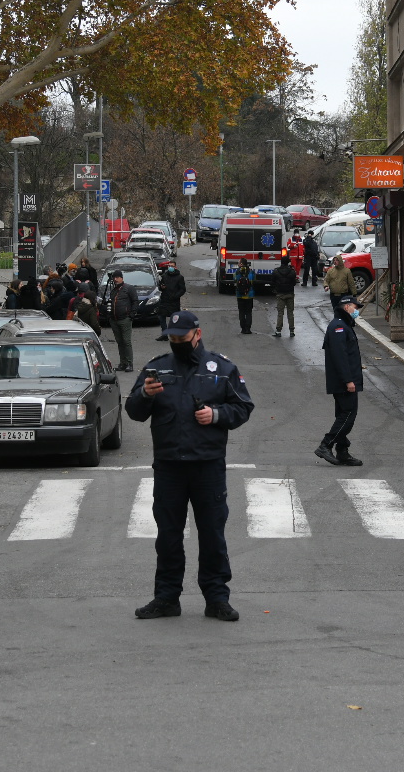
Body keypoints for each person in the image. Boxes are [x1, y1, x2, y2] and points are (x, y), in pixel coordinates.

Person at [126, 310, 253, 622]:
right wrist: (144, 394)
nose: (176, 342)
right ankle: (166, 598)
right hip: (169, 467)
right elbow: (133, 411)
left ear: (198, 334)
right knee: (168, 536)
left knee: (212, 535)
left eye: (181, 337)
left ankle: (217, 599)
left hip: (207, 467)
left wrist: (216, 415)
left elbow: (243, 406)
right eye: (171, 338)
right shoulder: (157, 367)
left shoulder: (221, 368)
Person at [316, 295, 364, 467]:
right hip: (344, 382)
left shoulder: (343, 325)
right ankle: (326, 444)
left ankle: (342, 451)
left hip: (345, 380)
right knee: (347, 416)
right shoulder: (338, 327)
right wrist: (348, 380)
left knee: (343, 415)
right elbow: (340, 356)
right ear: (346, 307)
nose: (356, 311)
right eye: (355, 307)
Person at [108, 271, 137, 371]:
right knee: (120, 342)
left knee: (126, 341)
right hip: (114, 320)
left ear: (121, 278)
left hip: (125, 319)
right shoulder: (114, 290)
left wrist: (131, 315)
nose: (115, 279)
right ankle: (123, 363)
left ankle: (129, 363)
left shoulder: (129, 288)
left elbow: (135, 301)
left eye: (117, 277)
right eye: (114, 278)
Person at [156, 262, 186, 341]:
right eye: (169, 266)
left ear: (175, 267)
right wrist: (162, 287)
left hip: (173, 301)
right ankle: (164, 334)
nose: (170, 267)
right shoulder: (164, 276)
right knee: (161, 317)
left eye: (172, 266)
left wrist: (175, 296)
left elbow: (182, 289)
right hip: (164, 300)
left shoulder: (179, 277)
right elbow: (160, 286)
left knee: (175, 319)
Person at [270, 253, 297, 337]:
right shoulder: (292, 271)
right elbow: (294, 283)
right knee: (290, 313)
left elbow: (272, 282)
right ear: (288, 262)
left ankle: (278, 331)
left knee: (280, 313)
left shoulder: (276, 271)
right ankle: (291, 331)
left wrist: (276, 289)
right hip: (290, 293)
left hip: (280, 294)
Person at [234, 260, 256, 334]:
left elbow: (235, 280)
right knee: (248, 312)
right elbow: (254, 281)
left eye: (238, 263)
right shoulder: (251, 272)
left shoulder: (237, 272)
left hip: (240, 295)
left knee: (241, 312)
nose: (238, 264)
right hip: (249, 295)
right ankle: (248, 329)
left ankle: (243, 329)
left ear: (241, 264)